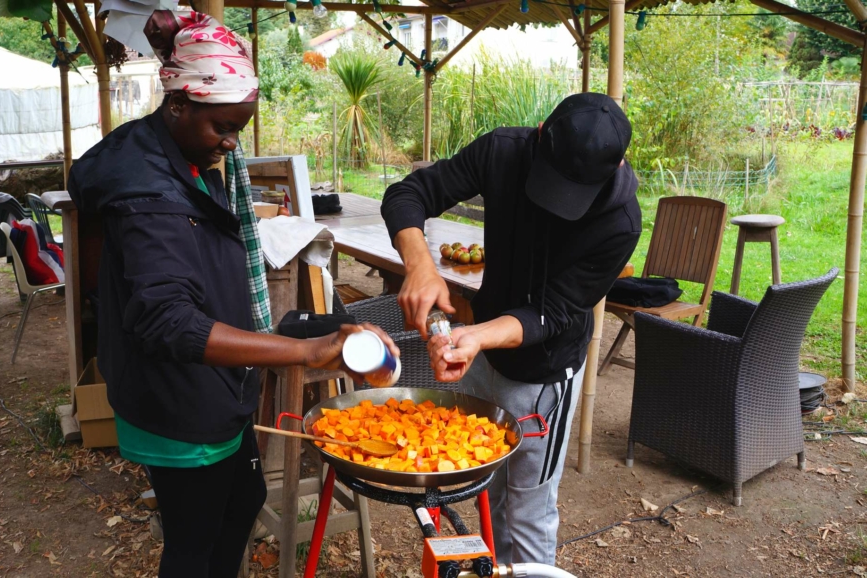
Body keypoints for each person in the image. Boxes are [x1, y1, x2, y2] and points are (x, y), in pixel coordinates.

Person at [67, 11, 397, 578]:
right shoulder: (151, 194)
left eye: (238, 127)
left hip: (214, 383)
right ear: (178, 104)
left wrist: (322, 331)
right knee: (195, 541)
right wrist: (302, 351)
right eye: (222, 126)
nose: (230, 142)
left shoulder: (181, 155)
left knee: (243, 501)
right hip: (178, 398)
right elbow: (169, 323)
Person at [380, 93, 641, 565]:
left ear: (616, 166)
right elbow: (408, 194)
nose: (556, 206)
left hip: (544, 378)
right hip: (486, 357)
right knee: (491, 493)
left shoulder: (619, 223)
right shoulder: (501, 151)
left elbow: (553, 312)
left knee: (528, 512)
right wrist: (419, 265)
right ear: (540, 133)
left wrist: (477, 336)